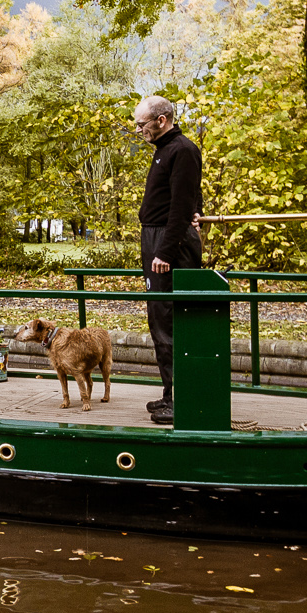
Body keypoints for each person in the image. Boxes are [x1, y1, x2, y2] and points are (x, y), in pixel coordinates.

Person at [133, 95, 202, 424]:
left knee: (171, 319)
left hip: (167, 241)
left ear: (162, 120)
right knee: (158, 317)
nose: (139, 130)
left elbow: (181, 205)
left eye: (142, 124)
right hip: (156, 236)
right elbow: (189, 196)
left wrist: (166, 251)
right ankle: (169, 392)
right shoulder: (165, 151)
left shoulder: (182, 150)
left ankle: (181, 397)